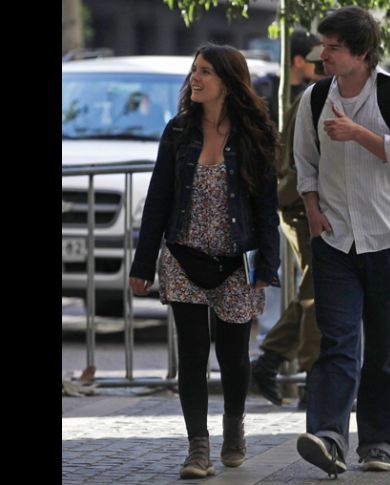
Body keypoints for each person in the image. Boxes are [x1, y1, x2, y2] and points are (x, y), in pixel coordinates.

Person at [129, 43, 280, 479]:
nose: (195, 78)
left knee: (234, 357)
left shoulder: (255, 136)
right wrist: (142, 266)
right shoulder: (177, 132)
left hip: (236, 262)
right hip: (182, 257)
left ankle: (234, 426)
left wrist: (266, 268)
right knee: (192, 356)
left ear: (229, 83)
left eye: (206, 72)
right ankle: (198, 448)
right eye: (194, 70)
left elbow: (265, 208)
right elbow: (158, 201)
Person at [292, 6, 390, 477]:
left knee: (384, 347)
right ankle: (327, 436)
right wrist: (311, 210)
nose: (322, 54)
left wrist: (358, 134)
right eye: (322, 45)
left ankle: (377, 443)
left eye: (333, 48)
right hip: (335, 238)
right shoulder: (313, 98)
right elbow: (304, 163)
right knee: (338, 341)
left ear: (362, 53)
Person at [249, 43, 327, 409]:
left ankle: (272, 361)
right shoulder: (317, 98)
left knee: (320, 290)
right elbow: (299, 165)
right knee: (319, 292)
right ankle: (313, 378)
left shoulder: (323, 94)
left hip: (314, 206)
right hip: (302, 205)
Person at [253, 29, 321, 125]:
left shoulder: (310, 92)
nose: (321, 63)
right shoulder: (262, 89)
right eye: (315, 58)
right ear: (299, 61)